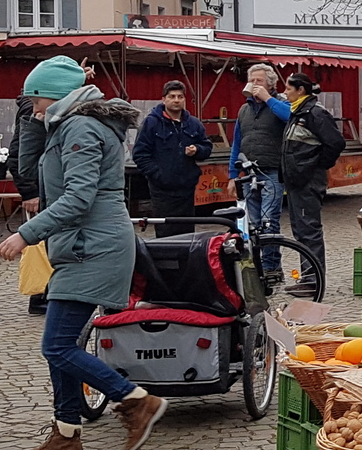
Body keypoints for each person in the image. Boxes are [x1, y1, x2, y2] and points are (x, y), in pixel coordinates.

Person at [0, 55, 166, 450]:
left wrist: (25, 234)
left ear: (53, 96)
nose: (32, 107)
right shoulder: (64, 124)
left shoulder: (81, 128)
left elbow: (77, 198)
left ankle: (135, 399)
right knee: (64, 343)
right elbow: (27, 168)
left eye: (35, 100)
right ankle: (67, 434)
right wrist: (32, 119)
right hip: (79, 244)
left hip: (95, 245)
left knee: (56, 346)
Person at [279, 71, 345, 289]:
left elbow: (335, 143)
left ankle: (313, 279)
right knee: (301, 230)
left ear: (301, 90)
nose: (285, 92)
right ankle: (307, 277)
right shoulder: (297, 112)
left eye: (289, 88)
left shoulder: (315, 113)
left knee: (309, 229)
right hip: (297, 180)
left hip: (308, 180)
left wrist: (317, 165)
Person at [227, 63, 290, 277]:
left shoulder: (280, 102)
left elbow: (290, 116)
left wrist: (267, 98)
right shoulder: (244, 109)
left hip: (272, 171)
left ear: (270, 84)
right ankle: (257, 267)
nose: (254, 84)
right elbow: (237, 142)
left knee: (268, 221)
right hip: (249, 173)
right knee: (252, 224)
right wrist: (232, 176)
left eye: (259, 81)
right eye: (252, 80)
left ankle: (272, 267)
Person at [132, 80, 215, 221]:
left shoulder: (193, 123)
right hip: (162, 191)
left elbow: (207, 148)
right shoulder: (151, 123)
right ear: (163, 99)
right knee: (166, 234)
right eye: (172, 96)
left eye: (180, 97)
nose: (176, 100)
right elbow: (140, 154)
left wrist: (197, 150)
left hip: (187, 189)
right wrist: (158, 175)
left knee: (187, 234)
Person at [11, 92, 49, 315]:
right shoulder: (32, 110)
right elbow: (18, 155)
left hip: (46, 187)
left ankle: (46, 293)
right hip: (38, 188)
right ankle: (39, 295)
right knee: (39, 245)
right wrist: (29, 192)